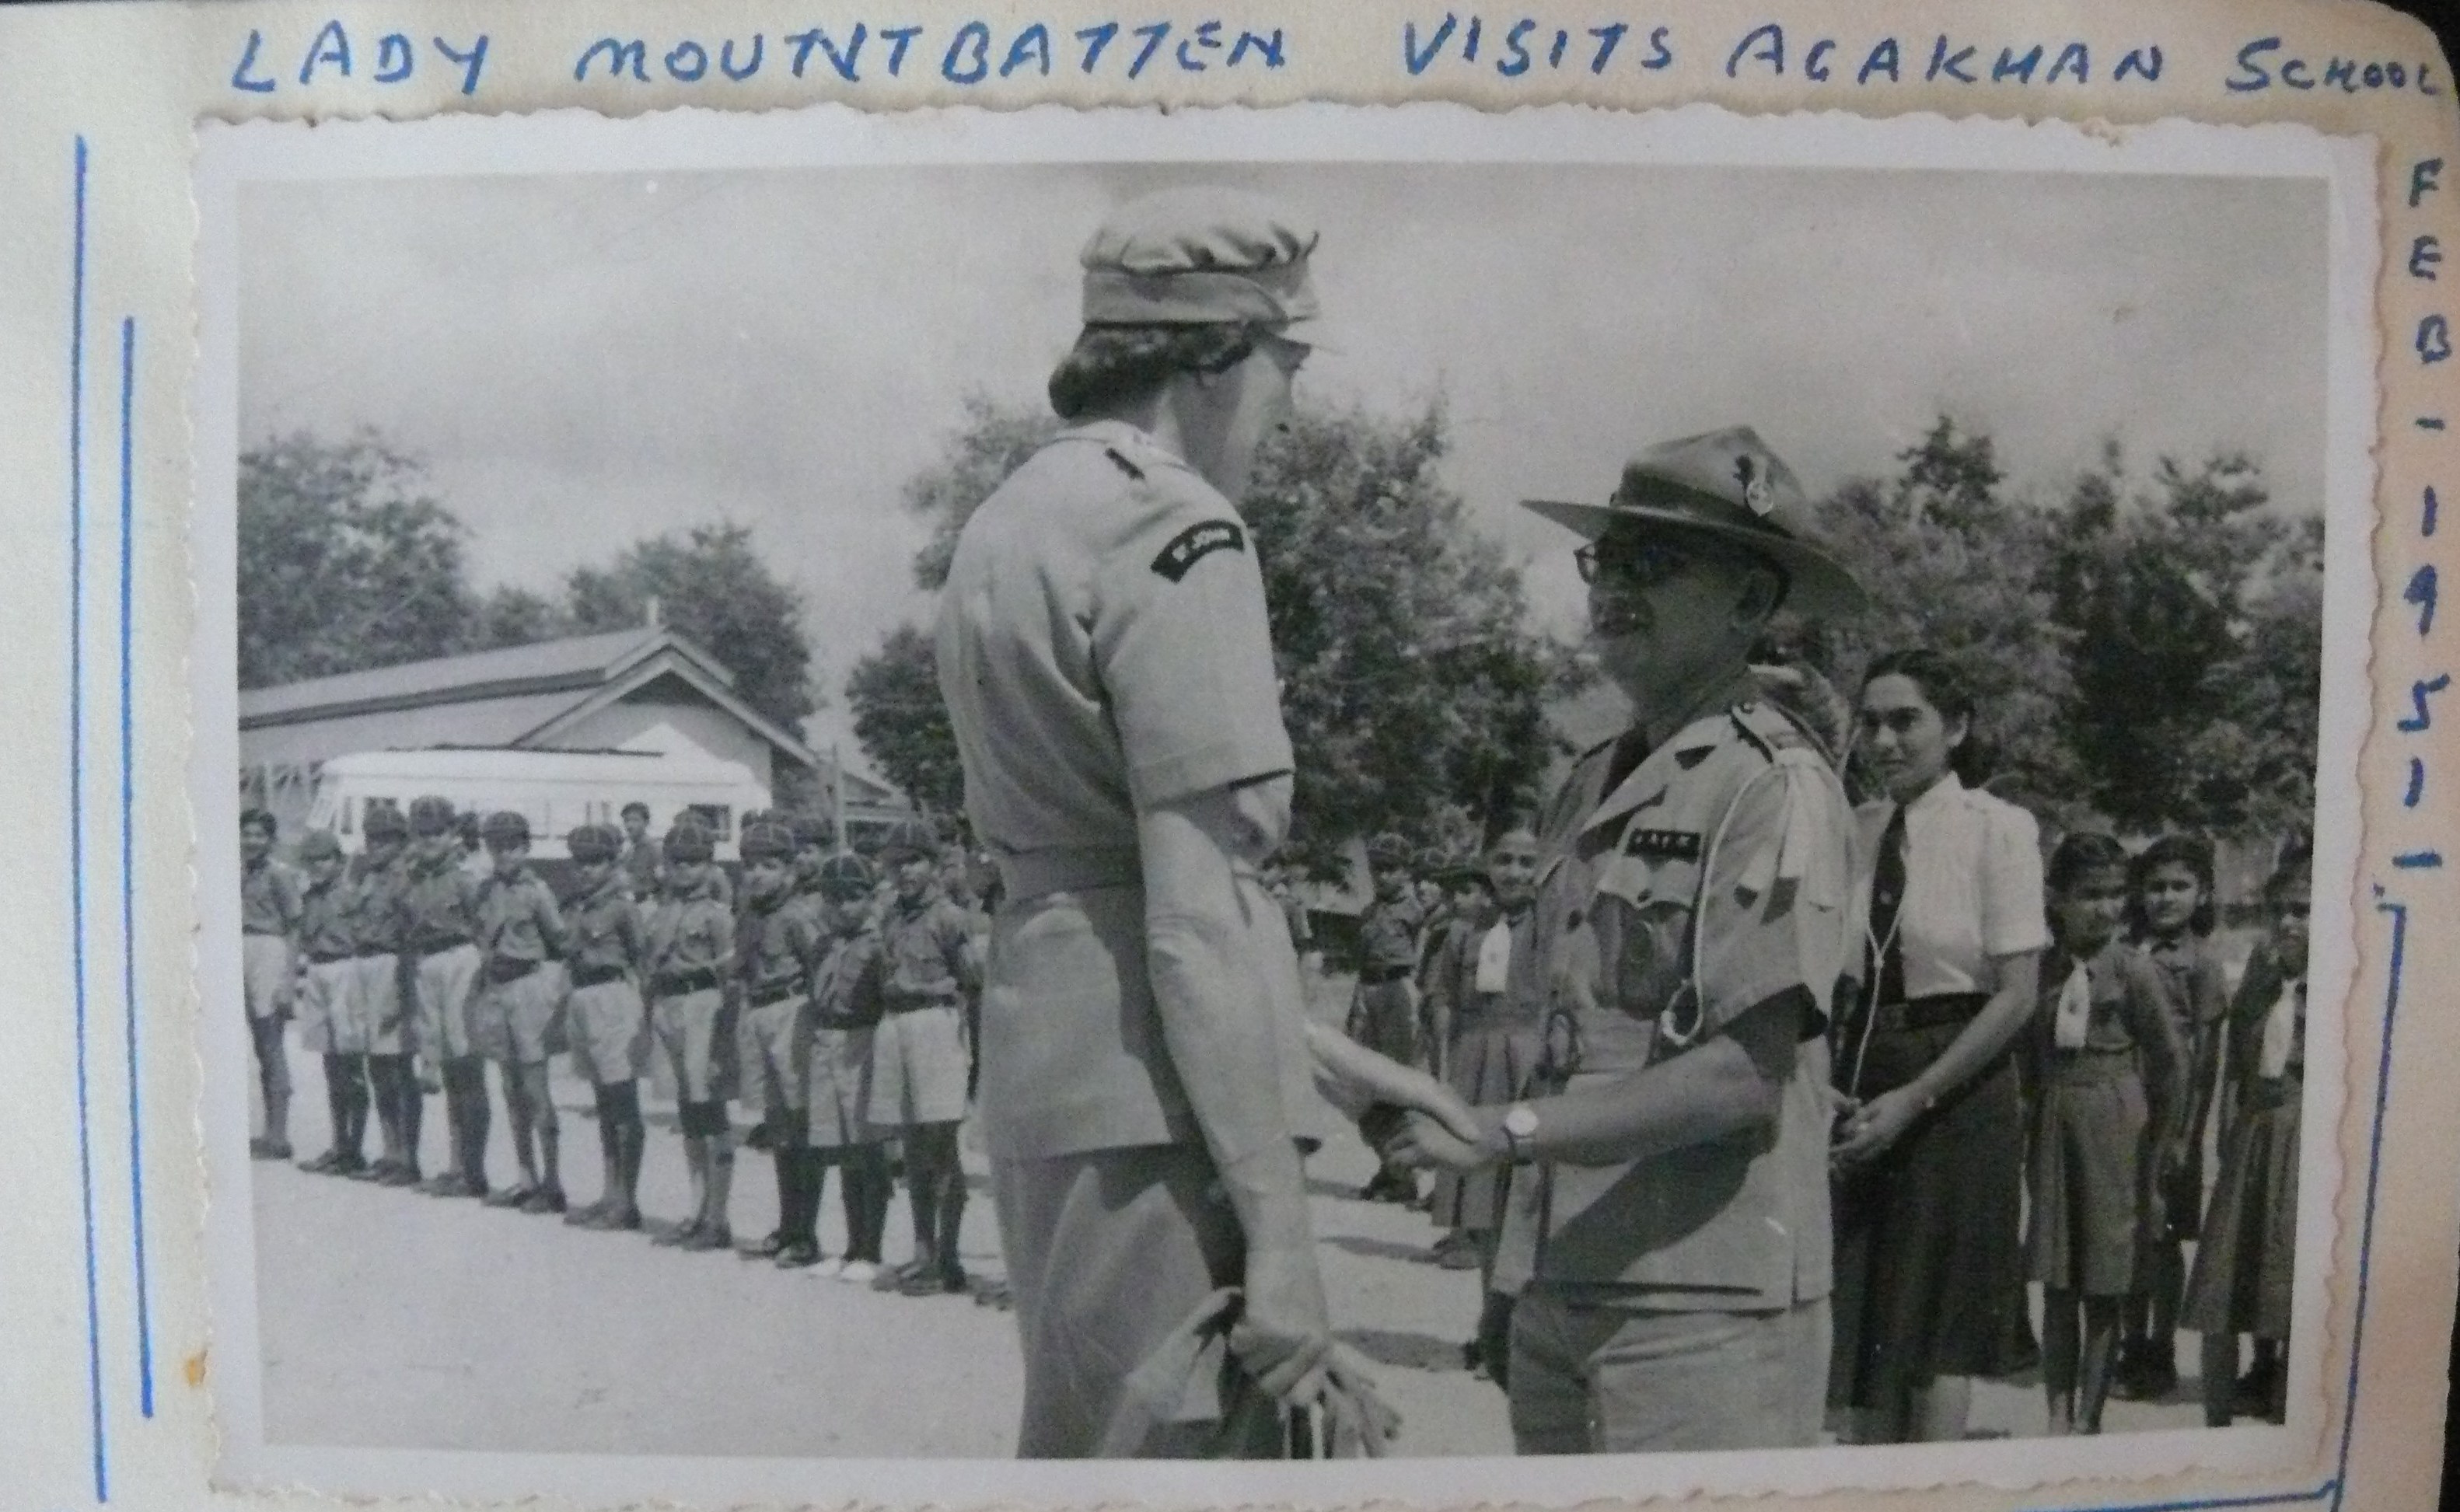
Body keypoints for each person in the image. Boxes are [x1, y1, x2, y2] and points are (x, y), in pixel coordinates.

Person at [935, 186, 1462, 1458]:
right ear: (1215, 358)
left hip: (1059, 1070)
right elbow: (1189, 920)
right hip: (1163, 1106)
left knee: (1087, 1444)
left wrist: (1342, 1068)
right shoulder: (1176, 525)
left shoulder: (1011, 520)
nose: (1287, 411)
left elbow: (1107, 886)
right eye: (1285, 369)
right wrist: (1284, 1249)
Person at [1391, 425, 1865, 1454]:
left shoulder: (1771, 782)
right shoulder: (1593, 772)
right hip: (1568, 1268)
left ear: (1750, 602)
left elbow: (1743, 1075)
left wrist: (1503, 1133)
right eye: (1608, 559)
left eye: (1657, 564)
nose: (1615, 588)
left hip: (1702, 1300)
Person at [1825, 649, 2048, 1443]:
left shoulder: (1999, 828)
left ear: (1954, 727)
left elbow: (2016, 992)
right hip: (1861, 1073)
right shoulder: (1854, 827)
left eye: (1904, 720)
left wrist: (1915, 1097)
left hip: (1956, 1084)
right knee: (1862, 1319)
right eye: (1870, 721)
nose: (1882, 739)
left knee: (1930, 1332)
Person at [2027, 831, 2186, 1435]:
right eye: (2091, 895)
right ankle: (2057, 1413)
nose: (2107, 908)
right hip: (2056, 1124)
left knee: (2104, 1284)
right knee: (2059, 1284)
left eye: (2117, 894)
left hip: (2117, 1125)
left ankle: (2089, 1420)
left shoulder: (2134, 970)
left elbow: (2171, 1062)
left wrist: (2166, 1143)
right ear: (2058, 898)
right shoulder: (2039, 968)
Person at [2185, 843, 2311, 1426]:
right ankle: (2215, 1420)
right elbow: (2237, 1061)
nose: (2288, 921)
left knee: (2287, 1274)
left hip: (2304, 1137)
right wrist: (2226, 1139)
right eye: (2280, 909)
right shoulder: (2260, 978)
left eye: (2304, 909)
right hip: (2253, 1134)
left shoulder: (2340, 983)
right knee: (2221, 1273)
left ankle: (2287, 1403)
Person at [1418, 828, 1544, 1367]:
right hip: (1475, 1059)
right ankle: (1491, 1329)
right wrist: (1446, 1071)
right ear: (1487, 866)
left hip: (1533, 1060)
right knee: (1485, 1204)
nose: (1515, 871)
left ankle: (1527, 1334)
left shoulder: (1554, 929)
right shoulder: (1464, 933)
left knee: (1532, 1197)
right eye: (1504, 859)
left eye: (1526, 861)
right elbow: (1442, 998)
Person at [2116, 833, 2231, 1402]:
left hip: (2172, 1113)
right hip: (2122, 1108)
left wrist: (2187, 1133)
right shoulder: (2125, 952)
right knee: (2126, 1232)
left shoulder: (2203, 964)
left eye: (2180, 886)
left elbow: (2207, 1060)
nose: (2166, 897)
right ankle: (2129, 1341)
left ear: (2202, 892)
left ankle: (2159, 1346)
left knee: (2161, 1238)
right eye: (2156, 886)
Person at [865, 819, 980, 1298]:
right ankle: (923, 1249)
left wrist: (929, 989)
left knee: (941, 1143)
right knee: (911, 1147)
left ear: (934, 865)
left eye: (914, 861)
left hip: (937, 1024)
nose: (904, 871)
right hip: (896, 1026)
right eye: (896, 863)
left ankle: (949, 1258)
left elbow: (972, 980)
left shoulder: (950, 917)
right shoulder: (889, 916)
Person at [734, 820, 830, 1268]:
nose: (758, 875)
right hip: (758, 1012)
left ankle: (806, 1234)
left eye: (769, 866)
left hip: (793, 1013)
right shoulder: (751, 913)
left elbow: (819, 971)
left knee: (800, 1123)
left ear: (790, 869)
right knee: (778, 1128)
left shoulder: (799, 914)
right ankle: (787, 1225)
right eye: (751, 865)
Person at [470, 811, 571, 1213]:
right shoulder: (486, 891)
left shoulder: (537, 892)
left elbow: (559, 940)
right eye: (496, 847)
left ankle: (553, 1182)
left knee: (535, 1088)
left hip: (528, 986)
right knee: (510, 1089)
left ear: (526, 848)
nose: (504, 855)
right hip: (497, 988)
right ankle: (526, 1175)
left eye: (512, 846)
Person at [645, 819, 738, 1251]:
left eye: (694, 861)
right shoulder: (661, 911)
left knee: (710, 1110)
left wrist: (724, 1035)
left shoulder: (717, 916)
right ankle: (697, 1206)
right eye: (676, 862)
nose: (684, 870)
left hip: (704, 1005)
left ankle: (718, 1217)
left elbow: (729, 975)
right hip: (668, 1007)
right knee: (688, 1114)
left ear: (709, 864)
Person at [804, 851, 896, 1284]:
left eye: (854, 897)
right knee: (840, 1149)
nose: (843, 906)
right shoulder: (824, 943)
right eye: (834, 898)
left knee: (867, 1147)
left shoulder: (879, 943)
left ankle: (871, 1247)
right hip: (827, 1038)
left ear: (871, 897)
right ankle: (850, 1243)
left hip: (863, 1040)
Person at [561, 822, 652, 1231]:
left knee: (622, 1102)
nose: (585, 870)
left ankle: (627, 1201)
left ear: (612, 862)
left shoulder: (621, 906)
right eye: (579, 861)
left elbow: (641, 957)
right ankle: (610, 1192)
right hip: (583, 997)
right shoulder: (579, 905)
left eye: (595, 861)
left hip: (613, 997)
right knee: (604, 1104)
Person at [400, 794, 488, 1199]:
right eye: (423, 833)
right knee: (444, 1066)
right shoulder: (415, 876)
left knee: (466, 1064)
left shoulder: (467, 876)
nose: (430, 840)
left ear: (453, 834)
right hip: (428, 962)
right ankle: (455, 1165)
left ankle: (473, 1170)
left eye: (437, 832)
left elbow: (484, 930)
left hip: (461, 959)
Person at [344, 803, 422, 1186]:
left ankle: (408, 1156)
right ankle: (390, 1150)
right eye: (372, 837)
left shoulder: (406, 877)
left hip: (394, 964)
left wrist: (405, 988)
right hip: (366, 964)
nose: (377, 845)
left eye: (386, 838)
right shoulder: (366, 876)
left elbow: (412, 933)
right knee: (378, 1065)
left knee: (398, 1065)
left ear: (401, 841)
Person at [289, 828, 370, 1177]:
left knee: (351, 1062)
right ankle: (339, 1144)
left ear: (338, 861)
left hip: (345, 969)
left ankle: (355, 1148)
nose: (317, 867)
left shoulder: (350, 894)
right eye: (311, 861)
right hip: (319, 971)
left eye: (324, 859)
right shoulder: (309, 897)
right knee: (330, 1062)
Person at [1351, 833, 1427, 1203]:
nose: (1382, 877)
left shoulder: (1417, 911)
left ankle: (1404, 1176)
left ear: (1406, 872)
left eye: (1391, 869)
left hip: (1399, 992)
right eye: (1376, 869)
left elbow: (1427, 960)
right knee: (1365, 1084)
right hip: (1368, 991)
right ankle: (1387, 1165)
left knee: (1395, 1084)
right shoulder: (1369, 911)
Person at [240, 808, 302, 1161]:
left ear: (270, 840)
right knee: (255, 1045)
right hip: (242, 948)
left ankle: (278, 1134)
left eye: (259, 835)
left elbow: (294, 925)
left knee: (271, 1042)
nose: (251, 841)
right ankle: (265, 1132)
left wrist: (288, 979)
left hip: (269, 948)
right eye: (246, 834)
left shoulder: (279, 875)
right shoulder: (235, 873)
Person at [620, 801, 663, 900]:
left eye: (635, 820)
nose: (629, 825)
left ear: (646, 823)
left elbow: (658, 879)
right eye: (626, 820)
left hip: (647, 901)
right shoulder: (629, 849)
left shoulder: (652, 848)